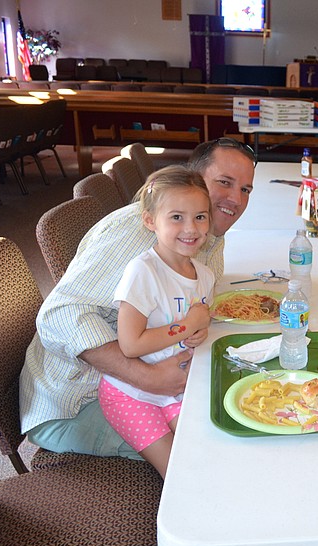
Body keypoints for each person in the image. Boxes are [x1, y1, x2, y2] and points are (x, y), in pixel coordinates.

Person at [19, 138, 256, 459]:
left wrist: (195, 326)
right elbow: (58, 314)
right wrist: (148, 378)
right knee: (220, 449)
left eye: (245, 189)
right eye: (224, 182)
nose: (236, 200)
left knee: (245, 405)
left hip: (154, 385)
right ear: (194, 179)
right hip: (78, 401)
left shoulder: (204, 232)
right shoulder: (142, 233)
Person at [99, 166, 214, 478]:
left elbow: (191, 321)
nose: (191, 228)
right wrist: (188, 325)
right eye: (176, 217)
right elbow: (130, 344)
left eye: (200, 216)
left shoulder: (205, 275)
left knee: (206, 450)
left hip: (174, 388)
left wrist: (199, 330)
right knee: (180, 472)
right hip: (130, 394)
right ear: (150, 221)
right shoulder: (143, 272)